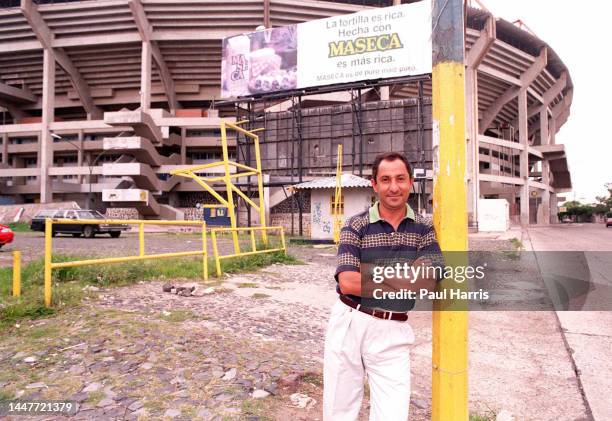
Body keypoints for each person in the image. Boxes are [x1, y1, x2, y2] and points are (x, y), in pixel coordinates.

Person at [323, 152, 443, 421]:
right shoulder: (356, 225)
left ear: (410, 182)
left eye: (400, 179)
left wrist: (375, 275)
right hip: (350, 321)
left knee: (393, 413)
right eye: (385, 179)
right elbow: (348, 282)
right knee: (339, 410)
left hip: (393, 328)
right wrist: (405, 276)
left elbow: (430, 278)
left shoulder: (423, 227)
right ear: (374, 184)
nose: (393, 187)